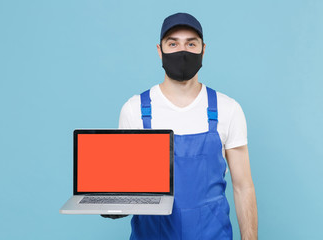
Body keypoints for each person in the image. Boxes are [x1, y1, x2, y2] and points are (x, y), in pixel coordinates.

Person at [104, 12, 258, 240]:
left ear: (203, 49)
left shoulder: (228, 109)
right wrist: (116, 203)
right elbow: (127, 183)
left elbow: (243, 187)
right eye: (173, 43)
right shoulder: (134, 109)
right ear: (160, 50)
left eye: (191, 44)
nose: (182, 51)